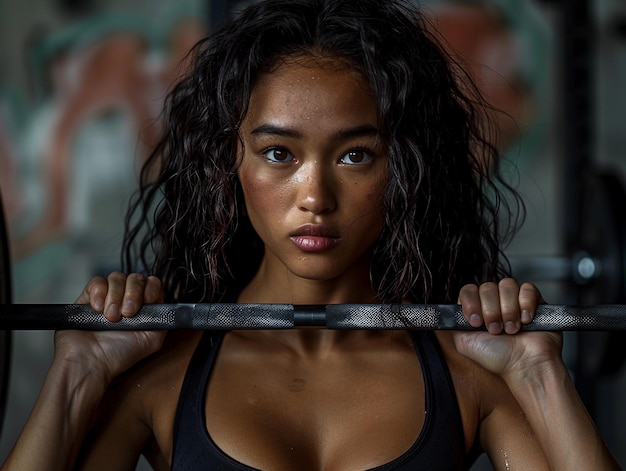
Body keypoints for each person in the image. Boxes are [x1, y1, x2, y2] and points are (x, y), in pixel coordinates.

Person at [2, 0, 620, 469]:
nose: (315, 197)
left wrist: (540, 374)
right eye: (278, 153)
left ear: (402, 169)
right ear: (230, 163)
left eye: (355, 156)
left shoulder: (470, 370)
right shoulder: (162, 371)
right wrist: (76, 373)